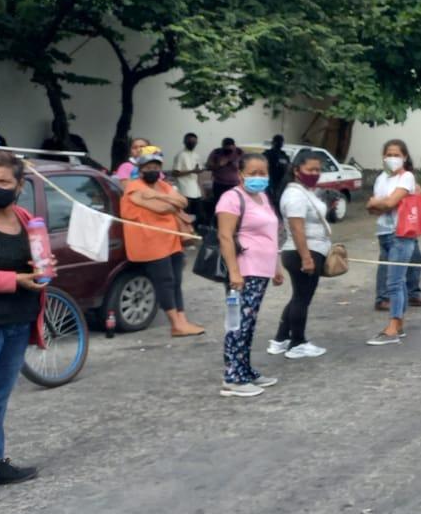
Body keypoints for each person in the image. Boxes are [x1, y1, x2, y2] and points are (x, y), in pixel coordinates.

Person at [214, 154, 285, 396]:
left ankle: (244, 370)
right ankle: (232, 377)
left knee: (249, 324)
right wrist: (234, 271)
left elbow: (271, 234)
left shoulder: (263, 197)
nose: (259, 177)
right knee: (238, 324)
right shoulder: (231, 199)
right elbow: (225, 236)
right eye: (253, 172)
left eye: (263, 172)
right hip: (245, 270)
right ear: (240, 174)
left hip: (262, 270)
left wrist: (276, 266)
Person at [119, 149, 204, 339]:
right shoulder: (133, 187)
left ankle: (182, 321)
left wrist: (159, 195)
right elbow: (163, 209)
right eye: (148, 167)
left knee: (176, 281)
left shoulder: (162, 186)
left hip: (171, 239)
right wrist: (168, 201)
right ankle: (176, 324)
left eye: (156, 167)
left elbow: (182, 202)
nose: (153, 170)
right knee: (165, 282)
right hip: (150, 242)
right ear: (140, 170)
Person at [0, 150, 41, 489]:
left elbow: (36, 259)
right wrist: (15, 281)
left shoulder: (25, 218)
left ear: (20, 185)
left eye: (2, 182)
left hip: (18, 321)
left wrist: (42, 269)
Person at [269, 153, 333, 360]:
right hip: (303, 251)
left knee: (298, 297)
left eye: (317, 170)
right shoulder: (295, 195)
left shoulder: (304, 192)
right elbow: (297, 230)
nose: (315, 174)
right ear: (296, 170)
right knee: (302, 299)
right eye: (310, 170)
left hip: (306, 250)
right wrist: (306, 258)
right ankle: (297, 342)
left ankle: (281, 339)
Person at [368, 139, 421, 346]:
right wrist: (380, 204)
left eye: (396, 154)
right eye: (388, 154)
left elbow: (389, 202)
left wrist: (380, 203)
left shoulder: (407, 177)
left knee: (394, 282)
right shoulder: (381, 178)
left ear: (405, 157)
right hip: (384, 232)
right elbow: (372, 208)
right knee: (398, 281)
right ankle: (398, 324)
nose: (392, 158)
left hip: (402, 233)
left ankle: (392, 327)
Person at [171, 132, 207, 227]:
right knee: (185, 215)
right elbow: (175, 173)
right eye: (190, 141)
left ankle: (195, 233)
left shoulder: (196, 155)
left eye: (194, 142)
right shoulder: (181, 155)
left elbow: (198, 172)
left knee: (198, 216)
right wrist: (191, 171)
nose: (192, 143)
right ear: (184, 142)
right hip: (184, 191)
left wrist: (202, 189)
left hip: (196, 191)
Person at [206, 137, 243, 223]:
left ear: (234, 146)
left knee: (235, 205)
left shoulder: (239, 153)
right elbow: (208, 166)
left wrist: (237, 166)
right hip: (220, 184)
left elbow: (247, 166)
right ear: (222, 146)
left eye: (230, 149)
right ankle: (218, 224)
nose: (228, 152)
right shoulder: (217, 152)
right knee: (219, 205)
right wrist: (220, 165)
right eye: (226, 149)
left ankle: (234, 223)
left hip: (235, 185)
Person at [263, 134, 291, 208]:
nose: (280, 144)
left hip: (280, 183)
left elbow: (287, 169)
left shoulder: (283, 155)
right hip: (269, 181)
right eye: (278, 142)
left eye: (280, 142)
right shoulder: (268, 154)